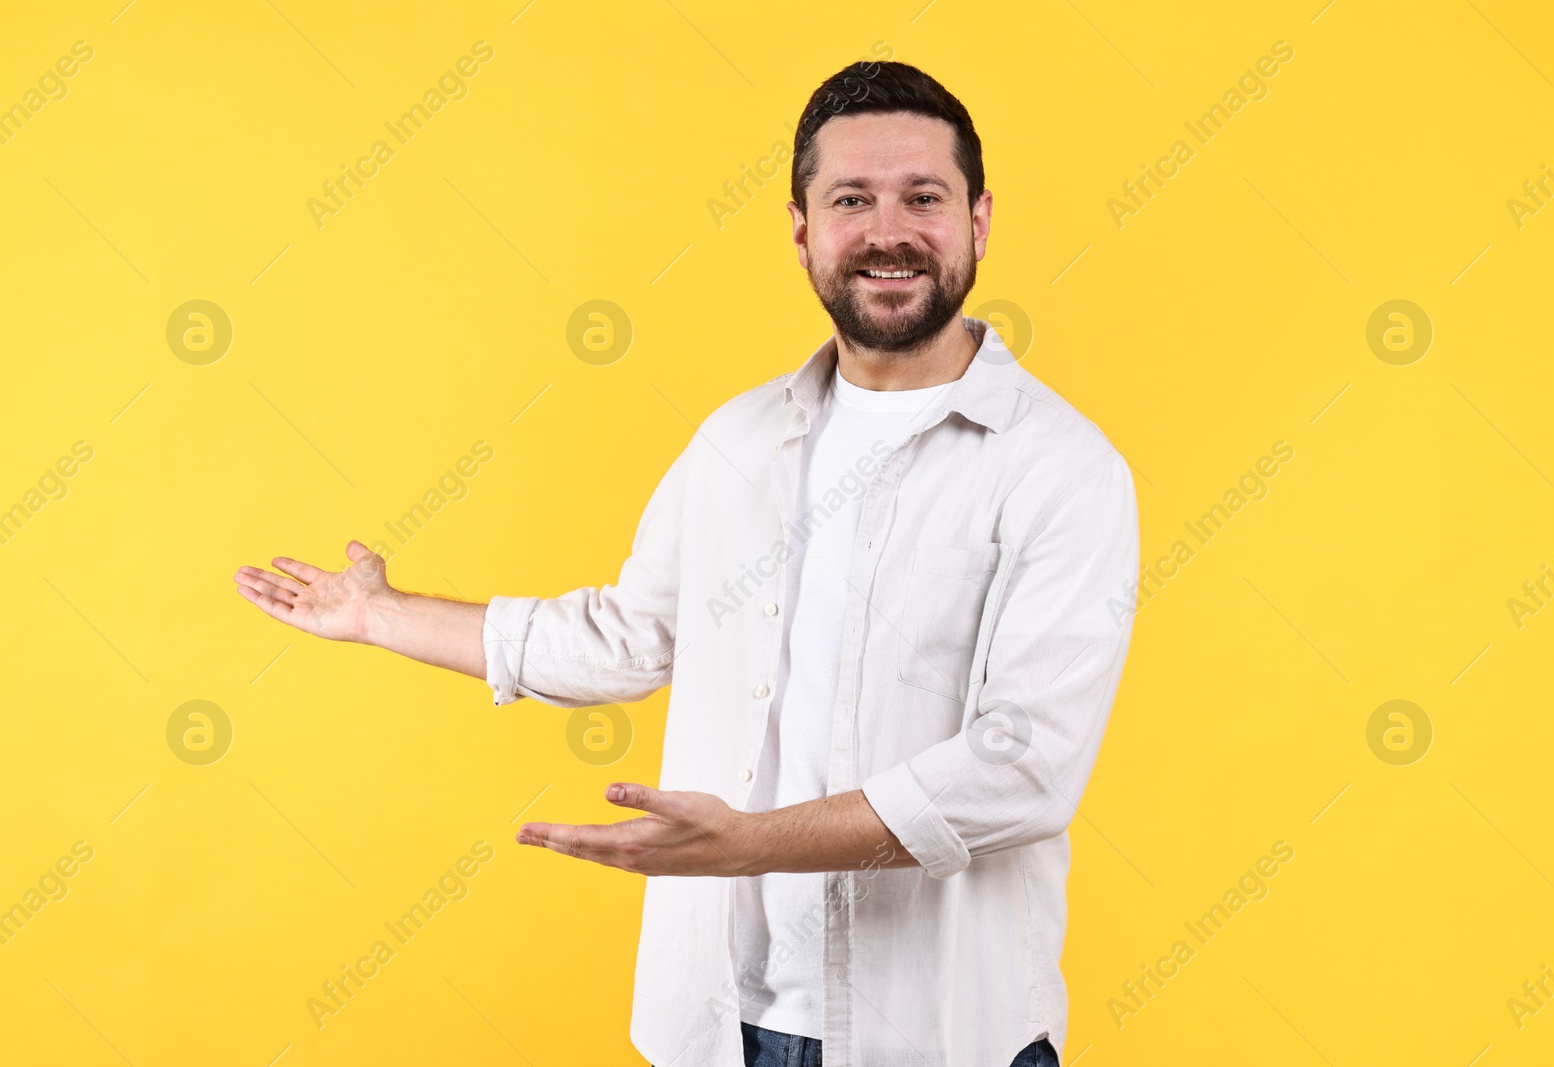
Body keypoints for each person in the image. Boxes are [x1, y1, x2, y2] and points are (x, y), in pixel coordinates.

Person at [235, 60, 1139, 1067]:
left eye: (922, 197)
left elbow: (1021, 767)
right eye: (851, 199)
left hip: (936, 1033)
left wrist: (752, 841)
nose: (889, 230)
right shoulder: (737, 440)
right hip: (716, 1022)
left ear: (977, 220)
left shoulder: (1061, 467)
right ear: (802, 229)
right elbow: (628, 635)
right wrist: (381, 613)